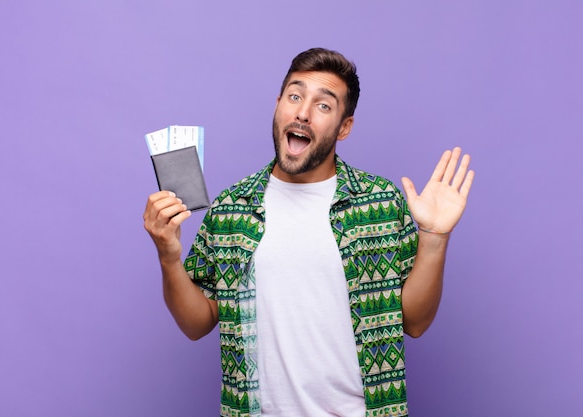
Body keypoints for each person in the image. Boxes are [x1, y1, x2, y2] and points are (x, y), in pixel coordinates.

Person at [143, 47, 474, 417]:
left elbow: (414, 322)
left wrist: (434, 236)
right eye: (295, 96)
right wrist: (169, 256)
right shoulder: (232, 208)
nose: (302, 111)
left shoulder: (378, 203)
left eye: (323, 105)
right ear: (278, 105)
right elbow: (196, 323)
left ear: (344, 127)